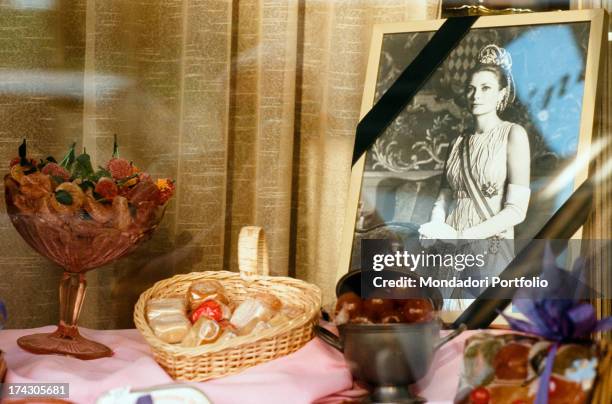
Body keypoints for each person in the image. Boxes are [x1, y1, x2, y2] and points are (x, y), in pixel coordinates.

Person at [418, 44, 531, 308]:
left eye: (485, 88)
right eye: (471, 88)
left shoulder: (513, 135)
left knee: (479, 325)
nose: (475, 95)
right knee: (445, 320)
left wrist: (466, 236)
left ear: (501, 94)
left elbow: (517, 210)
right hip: (449, 247)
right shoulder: (458, 141)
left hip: (489, 246)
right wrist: (436, 225)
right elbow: (445, 194)